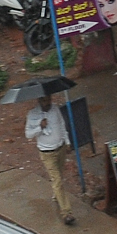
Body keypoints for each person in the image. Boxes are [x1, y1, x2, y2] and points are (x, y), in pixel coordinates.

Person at [25, 94, 75, 225]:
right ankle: (66, 212)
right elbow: (28, 134)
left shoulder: (55, 109)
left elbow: (62, 126)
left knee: (59, 175)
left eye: (49, 99)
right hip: (47, 153)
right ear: (39, 100)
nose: (47, 102)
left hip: (60, 148)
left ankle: (56, 195)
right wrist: (39, 127)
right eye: (44, 100)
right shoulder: (32, 114)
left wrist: (67, 142)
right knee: (57, 179)